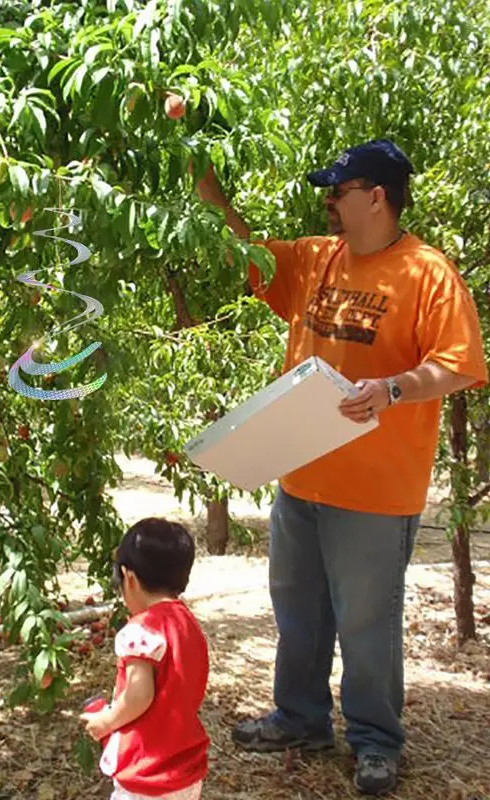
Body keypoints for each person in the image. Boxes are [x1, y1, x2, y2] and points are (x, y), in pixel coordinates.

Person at [193, 138, 488, 796]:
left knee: (365, 622)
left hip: (376, 490)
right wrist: (209, 191)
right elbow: (246, 250)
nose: (327, 201)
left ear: (376, 197)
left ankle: (376, 740)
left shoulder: (426, 272)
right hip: (301, 472)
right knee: (297, 609)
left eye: (338, 190)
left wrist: (393, 388)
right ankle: (300, 717)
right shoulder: (315, 259)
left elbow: (459, 364)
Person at [80, 517, 209, 799]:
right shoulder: (187, 623)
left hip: (147, 770)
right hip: (185, 766)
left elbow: (139, 695)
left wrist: (108, 720)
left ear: (130, 578)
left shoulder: (139, 631)